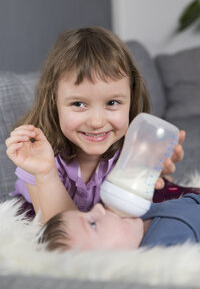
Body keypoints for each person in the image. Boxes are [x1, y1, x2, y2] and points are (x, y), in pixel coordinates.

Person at [5, 27, 185, 224]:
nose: (97, 122)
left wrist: (148, 174)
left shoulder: (129, 149)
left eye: (112, 103)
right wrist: (46, 174)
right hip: (53, 223)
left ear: (131, 101)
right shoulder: (38, 158)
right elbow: (67, 231)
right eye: (78, 104)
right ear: (53, 103)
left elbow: (127, 223)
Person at [39, 193, 200, 251]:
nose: (98, 207)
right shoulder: (161, 251)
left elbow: (188, 202)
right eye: (92, 224)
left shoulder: (144, 214)